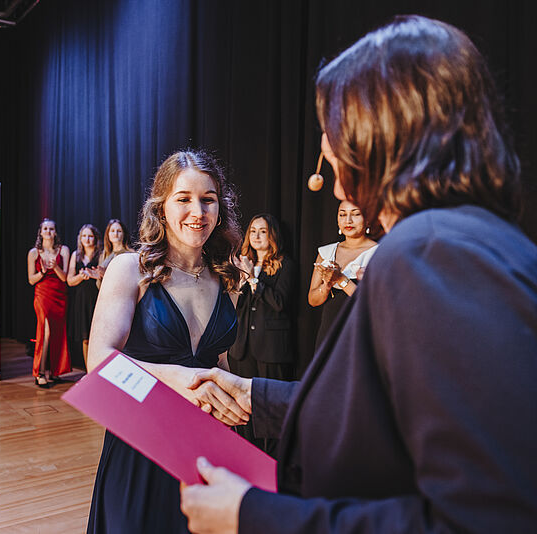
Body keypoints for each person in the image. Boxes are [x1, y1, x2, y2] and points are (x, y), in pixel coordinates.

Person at [179, 15, 537, 533]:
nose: (331, 173)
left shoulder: (432, 252)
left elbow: (485, 519)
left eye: (335, 139)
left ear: (379, 137)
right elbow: (376, 416)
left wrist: (253, 514)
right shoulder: (467, 238)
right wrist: (255, 396)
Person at [86, 150, 249, 533]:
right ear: (161, 207)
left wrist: (236, 403)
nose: (198, 211)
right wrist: (178, 378)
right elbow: (99, 360)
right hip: (141, 442)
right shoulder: (130, 269)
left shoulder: (228, 278)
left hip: (204, 443)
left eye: (208, 199)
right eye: (184, 199)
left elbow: (218, 362)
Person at [229, 214, 296, 454]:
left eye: (263, 231)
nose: (256, 236)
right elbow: (234, 305)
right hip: (242, 346)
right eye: (253, 231)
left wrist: (254, 279)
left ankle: (273, 457)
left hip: (271, 347)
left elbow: (279, 303)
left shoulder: (285, 265)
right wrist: (242, 280)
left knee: (269, 405)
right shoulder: (241, 264)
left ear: (272, 235)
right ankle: (248, 452)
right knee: (243, 404)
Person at [307, 200, 377, 348]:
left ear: (368, 218)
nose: (348, 220)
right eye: (342, 215)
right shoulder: (327, 252)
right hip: (330, 328)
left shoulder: (378, 252)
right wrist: (326, 286)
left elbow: (373, 303)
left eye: (355, 214)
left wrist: (341, 279)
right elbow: (313, 300)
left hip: (360, 329)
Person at [27, 218, 71, 387]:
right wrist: (43, 271)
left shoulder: (63, 250)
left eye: (51, 229)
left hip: (59, 295)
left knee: (57, 333)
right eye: (45, 229)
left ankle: (54, 371)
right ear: (41, 232)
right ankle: (39, 372)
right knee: (45, 332)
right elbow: (31, 280)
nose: (48, 231)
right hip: (42, 295)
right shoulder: (33, 253)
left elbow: (65, 278)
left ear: (55, 232)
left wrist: (55, 267)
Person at [67, 224, 103, 369]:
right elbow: (70, 281)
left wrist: (94, 275)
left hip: (97, 298)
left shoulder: (101, 254)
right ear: (80, 238)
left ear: (95, 238)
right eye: (84, 236)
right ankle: (89, 372)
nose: (87, 239)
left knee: (99, 338)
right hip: (81, 301)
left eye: (90, 236)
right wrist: (81, 276)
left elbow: (105, 277)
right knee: (85, 338)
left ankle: (99, 369)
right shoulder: (76, 255)